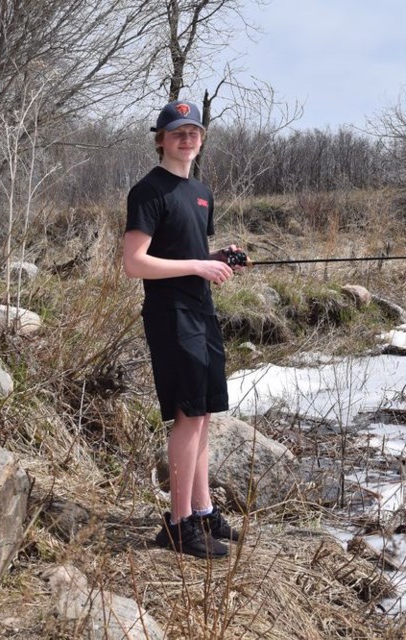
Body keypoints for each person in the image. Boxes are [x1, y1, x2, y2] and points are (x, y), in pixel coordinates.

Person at [122, 99, 245, 559]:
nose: (187, 139)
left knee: (205, 413)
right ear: (161, 139)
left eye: (194, 132)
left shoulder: (201, 193)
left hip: (202, 310)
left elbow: (189, 252)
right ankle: (177, 525)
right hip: (170, 315)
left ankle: (203, 509)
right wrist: (197, 263)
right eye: (177, 132)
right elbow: (134, 264)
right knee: (187, 415)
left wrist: (217, 260)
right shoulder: (148, 191)